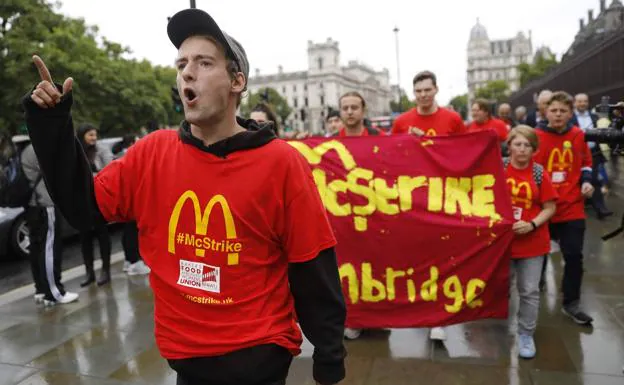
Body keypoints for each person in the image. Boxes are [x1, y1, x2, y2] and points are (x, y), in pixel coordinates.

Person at [23, 8, 346, 385]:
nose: (187, 72)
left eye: (204, 62)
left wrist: (329, 356)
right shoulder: (151, 152)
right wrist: (52, 128)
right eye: (181, 64)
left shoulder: (281, 162)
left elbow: (313, 263)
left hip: (259, 356)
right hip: (185, 358)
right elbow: (83, 208)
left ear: (236, 81)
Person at [533, 91, 594, 325]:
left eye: (563, 111)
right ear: (545, 112)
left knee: (573, 255)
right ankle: (533, 291)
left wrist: (587, 182)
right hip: (541, 209)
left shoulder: (578, 135)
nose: (558, 115)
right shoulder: (536, 136)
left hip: (571, 208)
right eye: (554, 110)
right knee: (537, 256)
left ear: (570, 113)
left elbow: (586, 163)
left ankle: (571, 303)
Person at [503, 125, 557, 359]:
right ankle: (500, 322)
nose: (522, 150)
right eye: (518, 144)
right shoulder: (498, 169)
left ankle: (526, 333)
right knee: (500, 286)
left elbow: (550, 207)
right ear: (509, 146)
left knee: (529, 291)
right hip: (503, 243)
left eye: (527, 145)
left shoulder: (538, 173)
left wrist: (532, 224)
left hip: (533, 243)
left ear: (533, 149)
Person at [21, 143, 79, 306]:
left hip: (32, 204)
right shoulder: (38, 147)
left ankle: (41, 289)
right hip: (45, 203)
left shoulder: (22, 149)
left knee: (36, 246)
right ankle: (54, 292)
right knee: (50, 248)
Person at [76, 123, 113, 286]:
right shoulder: (75, 151)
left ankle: (106, 270)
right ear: (82, 135)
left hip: (98, 198)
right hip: (82, 200)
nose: (94, 138)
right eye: (90, 135)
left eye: (95, 135)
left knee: (102, 235)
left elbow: (110, 169)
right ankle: (89, 272)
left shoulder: (101, 150)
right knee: (85, 238)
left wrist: (93, 176)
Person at [391, 70, 465, 137]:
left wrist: (424, 139)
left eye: (427, 90)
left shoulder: (454, 119)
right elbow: (392, 149)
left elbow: (465, 148)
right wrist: (409, 141)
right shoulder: (400, 122)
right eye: (418, 91)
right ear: (413, 92)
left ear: (436, 89)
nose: (423, 95)